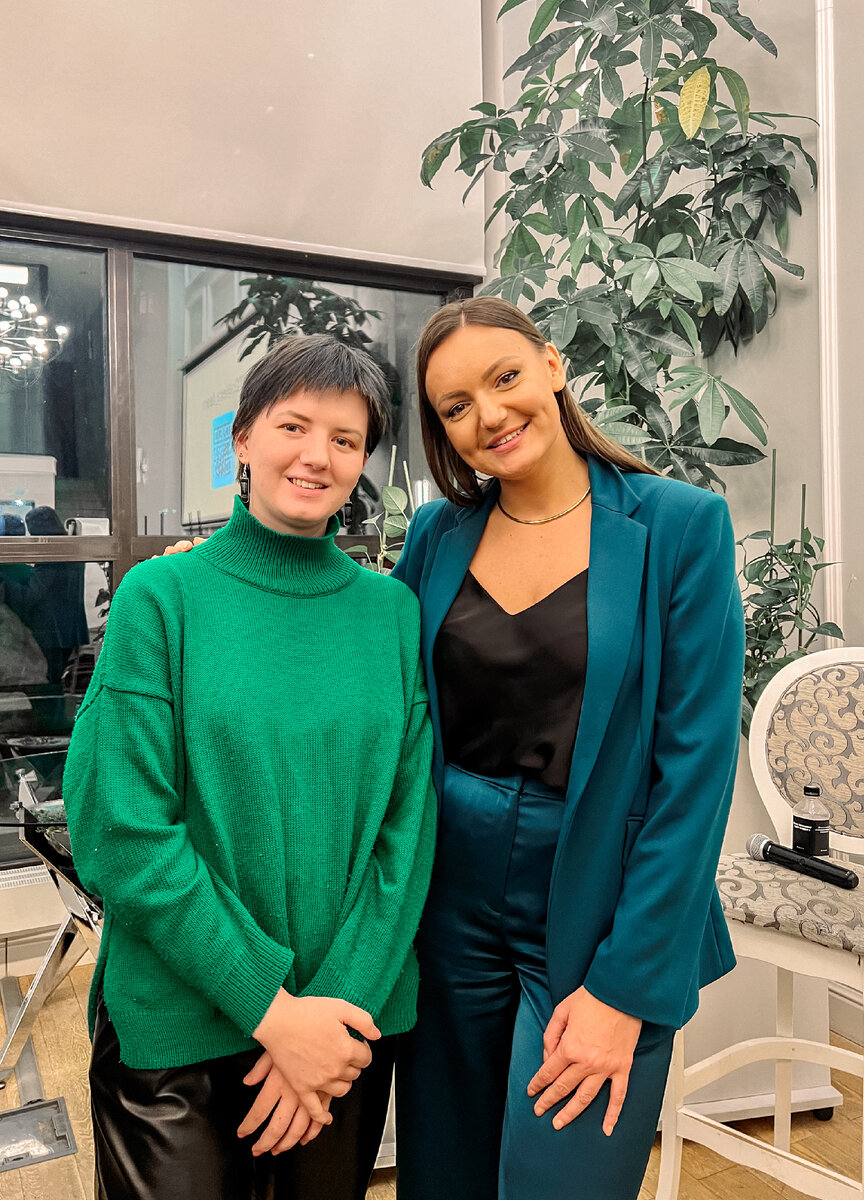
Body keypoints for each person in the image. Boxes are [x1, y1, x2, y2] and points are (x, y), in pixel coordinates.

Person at [62, 334, 437, 1200]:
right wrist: (272, 1012)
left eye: (345, 439)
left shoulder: (391, 613)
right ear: (242, 437)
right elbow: (123, 832)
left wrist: (327, 1018)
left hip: (344, 1024)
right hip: (180, 1027)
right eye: (292, 426)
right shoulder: (162, 599)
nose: (317, 456)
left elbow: (407, 834)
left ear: (365, 461)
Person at [389, 297, 745, 1200]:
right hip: (448, 896)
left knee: (564, 1179)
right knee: (444, 1177)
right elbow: (370, 677)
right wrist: (209, 587)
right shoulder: (435, 535)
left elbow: (695, 774)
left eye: (504, 377)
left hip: (597, 899)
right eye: (456, 406)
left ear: (552, 365)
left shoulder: (680, 526)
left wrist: (625, 990)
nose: (489, 415)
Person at [0, 506, 88, 688]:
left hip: (53, 633)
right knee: (56, 682)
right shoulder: (71, 552)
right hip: (71, 630)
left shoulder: (51, 560)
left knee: (47, 685)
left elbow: (29, 597)